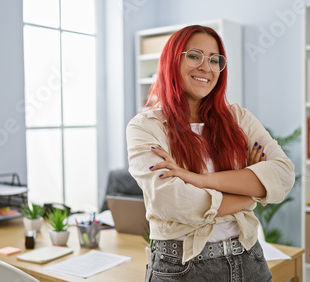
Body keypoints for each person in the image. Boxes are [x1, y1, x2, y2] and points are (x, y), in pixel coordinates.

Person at [126, 25, 295, 282]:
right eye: (195, 56)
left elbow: (283, 176)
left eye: (215, 60)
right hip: (182, 268)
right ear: (173, 60)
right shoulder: (145, 126)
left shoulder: (239, 118)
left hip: (249, 260)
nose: (207, 67)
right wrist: (249, 193)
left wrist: (197, 180)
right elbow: (171, 200)